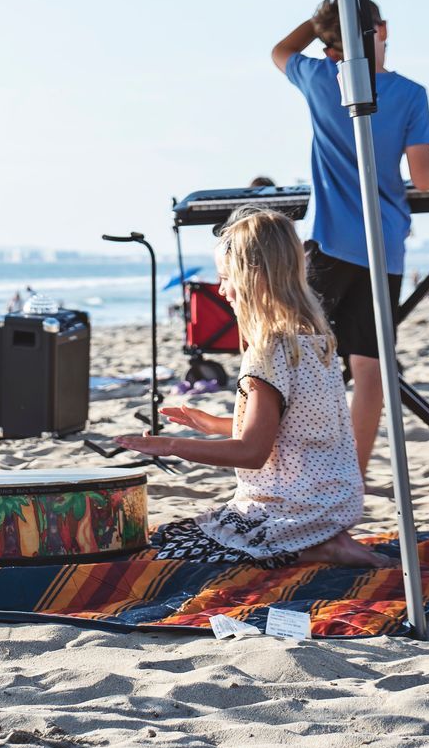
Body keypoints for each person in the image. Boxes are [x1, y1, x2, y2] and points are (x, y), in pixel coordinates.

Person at [117, 207, 387, 568]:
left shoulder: (268, 352)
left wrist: (171, 446)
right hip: (335, 505)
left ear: (253, 277)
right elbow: (293, 430)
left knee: (170, 548)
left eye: (226, 277)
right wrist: (210, 424)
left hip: (290, 511)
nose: (222, 289)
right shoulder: (315, 341)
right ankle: (329, 540)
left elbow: (252, 452)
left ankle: (317, 549)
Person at [273, 0, 429, 478]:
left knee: (301, 363)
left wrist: (321, 25)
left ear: (331, 45)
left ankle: (299, 470)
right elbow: (423, 177)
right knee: (370, 370)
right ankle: (352, 476)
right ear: (382, 29)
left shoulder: (321, 79)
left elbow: (279, 51)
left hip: (328, 244)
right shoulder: (410, 93)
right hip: (383, 248)